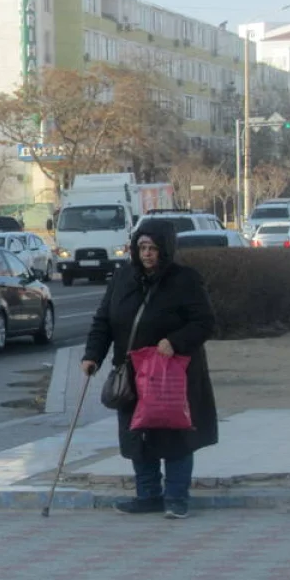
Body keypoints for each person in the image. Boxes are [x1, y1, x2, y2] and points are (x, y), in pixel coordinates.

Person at [80, 219, 218, 519]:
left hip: (172, 373)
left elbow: (205, 322)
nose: (147, 254)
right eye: (142, 247)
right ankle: (148, 495)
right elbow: (103, 320)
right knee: (138, 433)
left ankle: (176, 497)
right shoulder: (122, 278)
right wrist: (93, 355)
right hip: (132, 372)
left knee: (175, 434)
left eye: (153, 248)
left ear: (166, 249)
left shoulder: (185, 280)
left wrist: (176, 341)